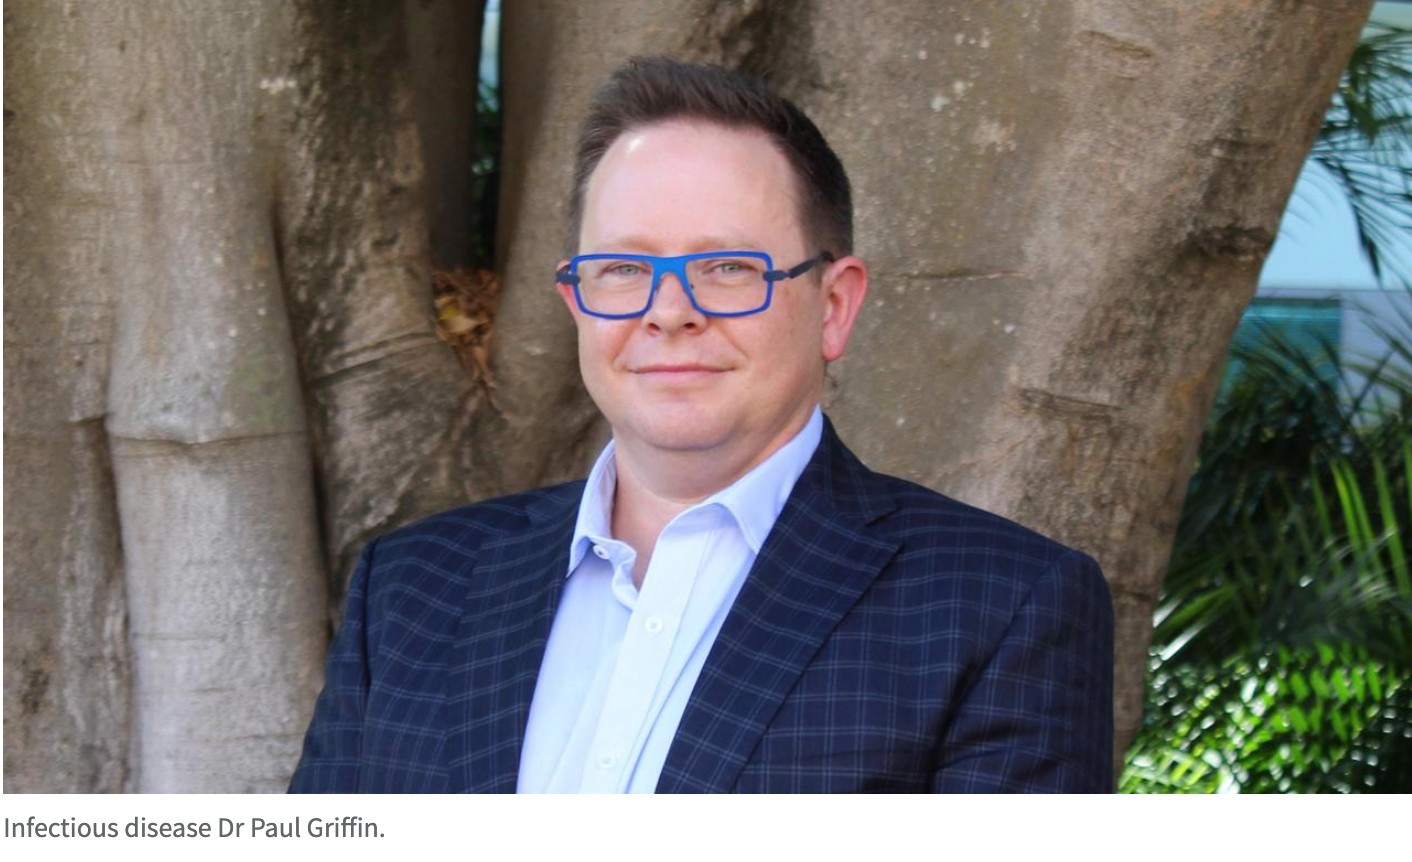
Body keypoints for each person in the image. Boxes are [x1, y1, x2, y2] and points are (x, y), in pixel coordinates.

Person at [289, 57, 1114, 794]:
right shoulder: (413, 587)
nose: (669, 311)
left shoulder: (1000, 607)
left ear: (834, 306)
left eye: (727, 267)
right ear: (576, 301)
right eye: (624, 267)